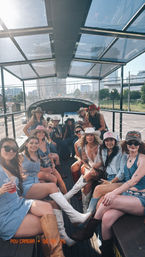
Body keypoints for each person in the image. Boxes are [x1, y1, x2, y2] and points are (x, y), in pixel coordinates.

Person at [72, 131, 145, 257]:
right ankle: (106, 251)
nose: (133, 146)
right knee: (106, 218)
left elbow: (133, 181)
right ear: (126, 144)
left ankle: (88, 230)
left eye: (136, 143)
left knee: (108, 200)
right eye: (130, 143)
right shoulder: (127, 156)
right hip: (128, 195)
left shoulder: (142, 159)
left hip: (140, 199)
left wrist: (113, 193)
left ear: (140, 144)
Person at [21, 135, 91, 246]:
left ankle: (64, 237)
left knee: (55, 203)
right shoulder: (21, 157)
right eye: (31, 143)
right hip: (26, 187)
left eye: (36, 143)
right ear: (26, 144)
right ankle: (73, 215)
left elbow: (39, 170)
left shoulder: (37, 155)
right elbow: (17, 174)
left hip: (36, 183)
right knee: (52, 187)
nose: (34, 145)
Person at [0, 137, 64, 257]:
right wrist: (1, 190)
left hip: (18, 203)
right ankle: (56, 254)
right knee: (45, 226)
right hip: (5, 215)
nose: (11, 151)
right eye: (7, 148)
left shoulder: (12, 165)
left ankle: (56, 253)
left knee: (47, 208)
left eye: (13, 149)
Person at [65, 127, 103, 212]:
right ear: (85, 137)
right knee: (87, 183)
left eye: (91, 135)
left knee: (88, 174)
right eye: (87, 135)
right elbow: (85, 161)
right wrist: (90, 168)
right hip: (90, 170)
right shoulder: (84, 147)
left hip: (101, 170)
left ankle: (71, 193)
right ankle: (85, 207)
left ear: (95, 136)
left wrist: (92, 168)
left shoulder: (100, 146)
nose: (90, 137)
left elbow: (103, 162)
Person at [33, 125, 67, 194]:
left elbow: (49, 155)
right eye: (39, 132)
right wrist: (44, 170)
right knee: (54, 180)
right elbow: (33, 162)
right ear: (36, 134)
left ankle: (67, 199)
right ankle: (57, 198)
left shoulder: (46, 143)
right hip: (40, 169)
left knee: (60, 180)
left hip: (49, 166)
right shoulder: (33, 145)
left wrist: (53, 164)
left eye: (43, 133)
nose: (41, 134)